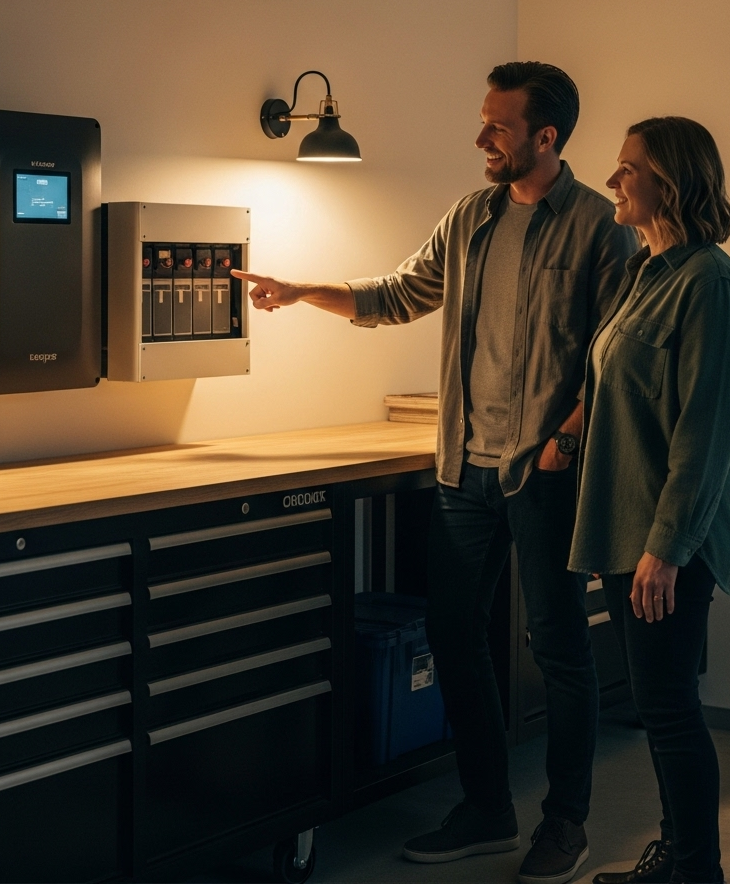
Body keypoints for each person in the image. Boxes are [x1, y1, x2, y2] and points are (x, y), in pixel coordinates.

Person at [233, 62, 637, 884]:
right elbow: (399, 293)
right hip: (463, 471)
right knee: (455, 636)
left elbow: (614, 356)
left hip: (546, 473)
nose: (481, 137)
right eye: (484, 121)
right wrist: (298, 290)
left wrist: (565, 437)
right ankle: (488, 808)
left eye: (498, 125)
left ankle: (566, 822)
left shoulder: (601, 227)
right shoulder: (471, 216)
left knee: (560, 650)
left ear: (545, 137)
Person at [570, 118, 730, 884]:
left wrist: (667, 549)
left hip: (664, 539)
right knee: (659, 707)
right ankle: (678, 856)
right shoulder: (650, 274)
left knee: (671, 710)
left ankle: (695, 870)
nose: (614, 180)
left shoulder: (710, 283)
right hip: (626, 526)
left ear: (669, 183)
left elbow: (704, 433)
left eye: (627, 169)